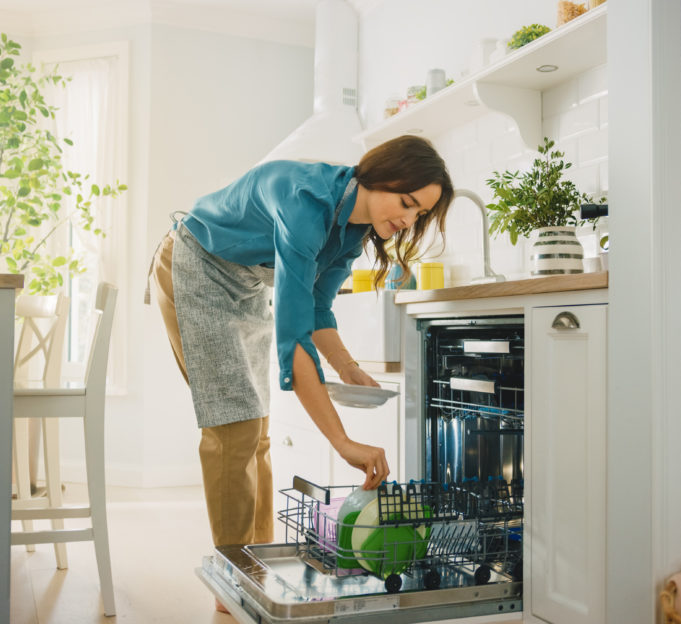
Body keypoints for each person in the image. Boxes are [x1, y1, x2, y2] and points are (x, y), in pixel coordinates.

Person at [148, 134, 453, 610]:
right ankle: (233, 588)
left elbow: (316, 307)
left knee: (258, 430)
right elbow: (295, 343)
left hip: (244, 283)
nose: (408, 219)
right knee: (234, 427)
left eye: (419, 214)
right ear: (379, 175)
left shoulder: (354, 231)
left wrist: (349, 368)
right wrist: (343, 442)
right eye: (407, 202)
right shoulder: (305, 201)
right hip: (195, 264)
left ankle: (256, 567)